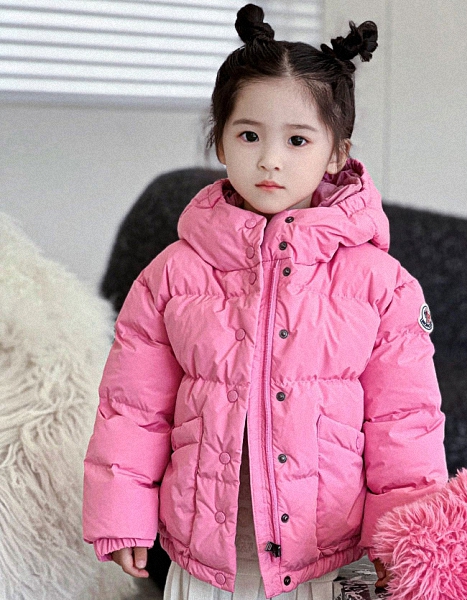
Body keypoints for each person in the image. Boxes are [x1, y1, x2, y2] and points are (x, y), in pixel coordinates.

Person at [82, 4, 448, 600]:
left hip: (324, 556)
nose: (270, 159)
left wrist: (405, 542)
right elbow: (132, 408)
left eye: (297, 139)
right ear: (220, 143)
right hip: (204, 557)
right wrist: (122, 511)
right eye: (249, 135)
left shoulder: (382, 284)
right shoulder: (171, 275)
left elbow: (404, 423)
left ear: (337, 154)